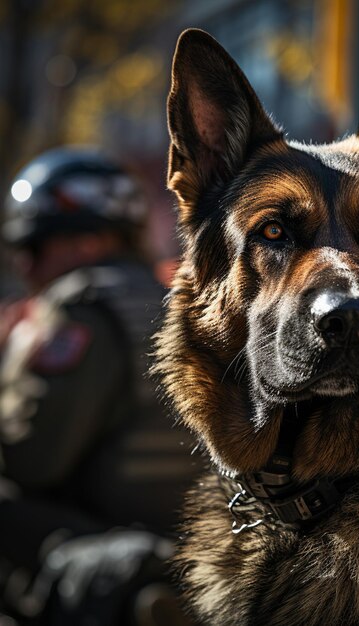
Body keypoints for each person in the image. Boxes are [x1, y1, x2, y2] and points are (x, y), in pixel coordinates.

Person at [0, 147, 198, 625]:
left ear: (82, 244)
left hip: (110, 542)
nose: (24, 269)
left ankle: (120, 590)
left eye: (31, 248)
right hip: (194, 537)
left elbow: (32, 459)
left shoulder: (79, 308)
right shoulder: (179, 303)